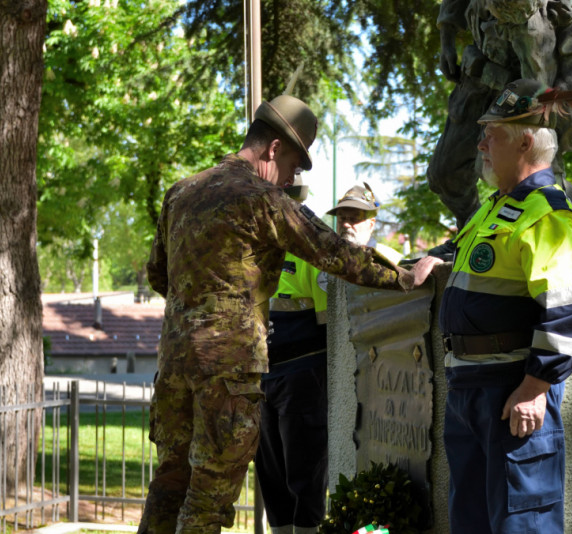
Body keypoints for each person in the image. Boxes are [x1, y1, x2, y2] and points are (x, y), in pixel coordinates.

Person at [140, 94, 441, 534]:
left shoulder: (181, 192)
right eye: (294, 167)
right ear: (274, 149)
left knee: (169, 482)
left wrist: (198, 309)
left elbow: (157, 274)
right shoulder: (262, 199)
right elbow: (333, 252)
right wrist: (403, 277)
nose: (290, 179)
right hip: (228, 371)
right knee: (208, 496)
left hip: (174, 365)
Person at [439, 79, 572, 533]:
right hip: (469, 386)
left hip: (511, 391)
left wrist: (534, 387)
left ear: (526, 140)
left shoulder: (547, 214)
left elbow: (568, 313)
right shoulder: (495, 209)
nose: (482, 144)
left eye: (493, 135)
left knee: (522, 524)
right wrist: (435, 256)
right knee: (471, 522)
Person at [428, 0, 572, 258]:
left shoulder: (530, 27)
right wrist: (447, 33)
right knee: (445, 171)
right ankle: (471, 231)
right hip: (488, 36)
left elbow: (536, 98)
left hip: (569, 27)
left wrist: (484, 70)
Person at [255, 183, 402, 534]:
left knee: (303, 471)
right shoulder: (266, 249)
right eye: (342, 217)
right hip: (264, 374)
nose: (347, 223)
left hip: (302, 373)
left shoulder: (325, 256)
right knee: (271, 470)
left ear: (372, 222)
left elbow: (329, 325)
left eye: (357, 217)